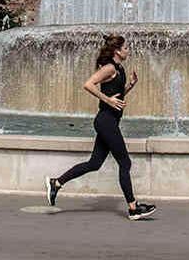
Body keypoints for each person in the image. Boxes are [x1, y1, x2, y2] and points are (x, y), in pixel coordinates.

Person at [46, 34, 156, 220]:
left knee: (94, 163)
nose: (128, 50)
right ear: (117, 51)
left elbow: (116, 95)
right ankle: (133, 208)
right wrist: (107, 100)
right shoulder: (109, 68)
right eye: (126, 47)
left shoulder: (119, 68)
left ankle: (56, 183)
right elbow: (88, 84)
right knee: (125, 163)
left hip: (110, 121)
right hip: (105, 121)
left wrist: (130, 86)